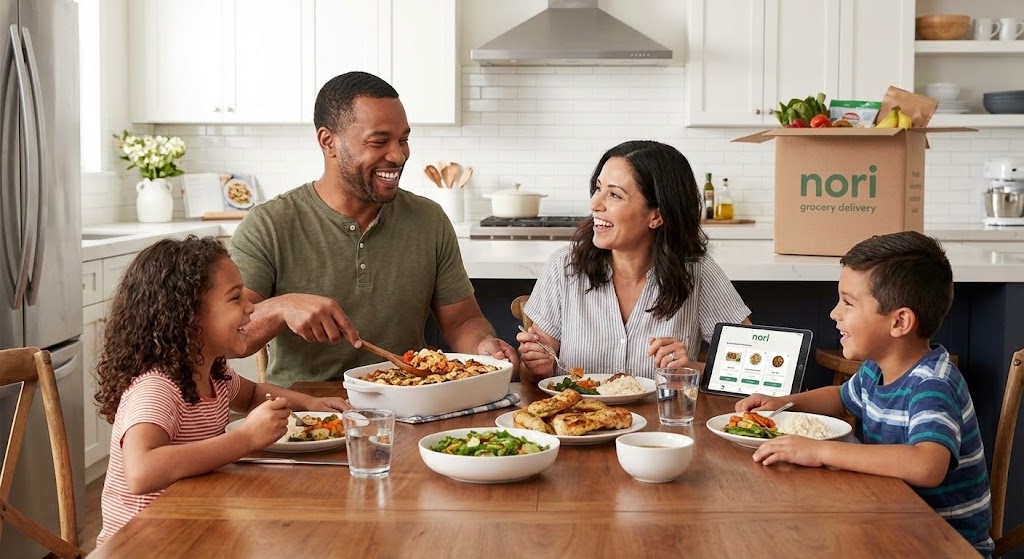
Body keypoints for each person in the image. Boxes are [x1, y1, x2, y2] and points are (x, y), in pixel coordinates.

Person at [229, 71, 517, 384]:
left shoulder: (429, 220)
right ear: (328, 142)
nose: (398, 155)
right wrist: (281, 308)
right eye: (379, 142)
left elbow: (462, 321)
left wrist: (483, 347)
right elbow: (232, 336)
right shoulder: (268, 226)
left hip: (407, 398)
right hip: (304, 407)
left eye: (403, 140)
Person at [737, 231, 993, 556]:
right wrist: (783, 403)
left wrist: (820, 451)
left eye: (848, 302)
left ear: (899, 322)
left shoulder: (932, 384)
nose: (835, 313)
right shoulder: (875, 369)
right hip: (891, 524)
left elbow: (927, 465)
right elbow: (840, 397)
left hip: (943, 545)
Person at [94, 237, 349, 546]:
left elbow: (253, 395)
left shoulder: (212, 371)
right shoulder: (157, 387)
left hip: (193, 529)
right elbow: (141, 472)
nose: (250, 307)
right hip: (143, 546)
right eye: (235, 298)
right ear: (189, 315)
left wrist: (310, 403)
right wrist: (246, 439)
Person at [515, 140, 751, 384]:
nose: (594, 204)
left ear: (657, 215)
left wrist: (691, 369)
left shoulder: (697, 271)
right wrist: (537, 367)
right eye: (598, 188)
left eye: (614, 195)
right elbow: (530, 380)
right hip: (576, 410)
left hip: (661, 411)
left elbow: (753, 367)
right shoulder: (565, 267)